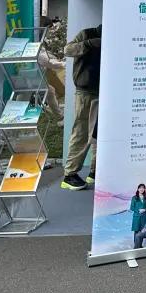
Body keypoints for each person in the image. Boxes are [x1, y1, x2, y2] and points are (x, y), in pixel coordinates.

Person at [60, 24, 101, 190]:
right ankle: (70, 174)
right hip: (86, 92)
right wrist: (89, 44)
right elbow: (67, 50)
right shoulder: (86, 34)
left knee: (98, 134)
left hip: (104, 92)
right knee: (82, 132)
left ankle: (95, 171)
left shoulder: (115, 35)